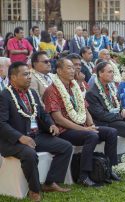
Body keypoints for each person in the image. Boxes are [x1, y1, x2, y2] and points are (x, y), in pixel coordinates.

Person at [0, 62, 73, 201]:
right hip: (14, 141)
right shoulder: (4, 96)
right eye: (25, 74)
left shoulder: (32, 93)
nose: (29, 77)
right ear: (13, 77)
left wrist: (51, 124)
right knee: (29, 154)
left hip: (35, 136)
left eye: (29, 74)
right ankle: (34, 190)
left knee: (66, 146)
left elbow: (43, 114)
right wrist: (20, 137)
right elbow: (1, 123)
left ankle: (51, 182)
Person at [43, 58, 120, 186]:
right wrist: (85, 129)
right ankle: (84, 176)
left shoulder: (75, 87)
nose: (73, 70)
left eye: (73, 67)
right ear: (59, 71)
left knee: (111, 132)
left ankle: (109, 170)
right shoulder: (51, 90)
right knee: (91, 135)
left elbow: (85, 109)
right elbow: (58, 119)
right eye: (69, 68)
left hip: (82, 126)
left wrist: (90, 124)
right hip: (64, 130)